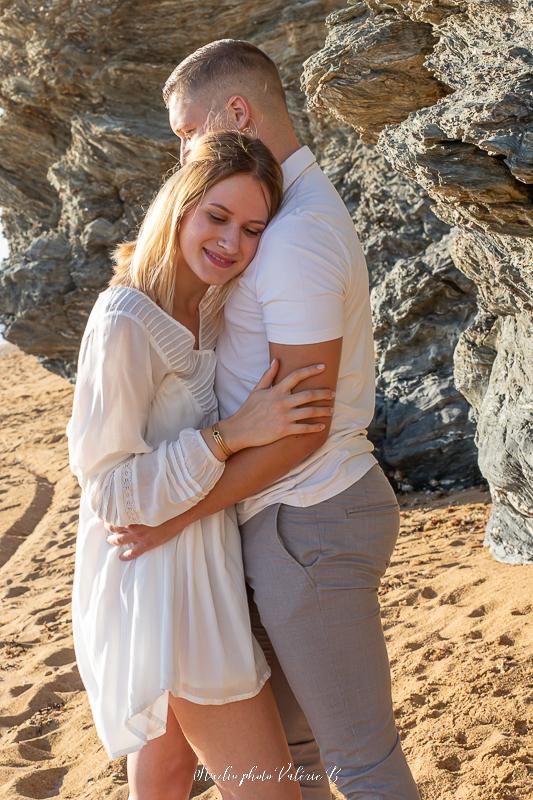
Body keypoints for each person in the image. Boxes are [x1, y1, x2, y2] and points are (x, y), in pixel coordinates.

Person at [106, 41, 421, 800]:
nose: (181, 152)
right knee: (293, 758)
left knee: (358, 762)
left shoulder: (296, 237)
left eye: (187, 131)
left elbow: (305, 425)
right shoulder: (276, 225)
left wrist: (179, 515)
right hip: (280, 520)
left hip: (308, 517)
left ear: (235, 113)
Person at [67, 130, 340, 800]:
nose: (231, 243)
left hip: (193, 557)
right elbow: (109, 492)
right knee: (269, 791)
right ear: (179, 208)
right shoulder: (124, 319)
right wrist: (230, 434)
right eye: (217, 218)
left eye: (251, 229)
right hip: (159, 586)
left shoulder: (208, 310)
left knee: (162, 775)